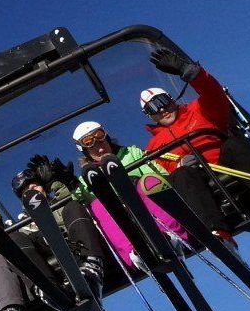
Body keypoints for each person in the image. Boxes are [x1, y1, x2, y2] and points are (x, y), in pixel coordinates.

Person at [140, 45, 250, 239]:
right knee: (180, 175)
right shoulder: (153, 146)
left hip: (227, 163)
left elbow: (214, 94)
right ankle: (217, 232)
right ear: (149, 116)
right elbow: (163, 169)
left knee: (234, 144)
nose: (161, 109)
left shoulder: (198, 110)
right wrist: (179, 164)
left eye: (162, 102)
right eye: (153, 108)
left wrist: (191, 72)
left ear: (171, 99)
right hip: (198, 180)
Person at [72, 120, 191, 267]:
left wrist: (132, 181)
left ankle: (169, 236)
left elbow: (158, 176)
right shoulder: (88, 178)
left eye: (100, 138)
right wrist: (70, 186)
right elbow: (79, 202)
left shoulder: (132, 153)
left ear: (106, 137)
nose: (100, 147)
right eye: (91, 144)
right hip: (119, 212)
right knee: (97, 205)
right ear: (84, 150)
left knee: (145, 183)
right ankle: (135, 253)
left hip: (142, 201)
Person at [11, 155, 114, 292]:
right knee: (15, 238)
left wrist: (56, 182)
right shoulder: (24, 223)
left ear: (44, 188)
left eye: (35, 186)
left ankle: (92, 265)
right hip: (49, 247)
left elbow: (78, 200)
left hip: (74, 240)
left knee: (73, 206)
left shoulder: (61, 203)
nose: (33, 191)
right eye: (27, 191)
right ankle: (47, 288)